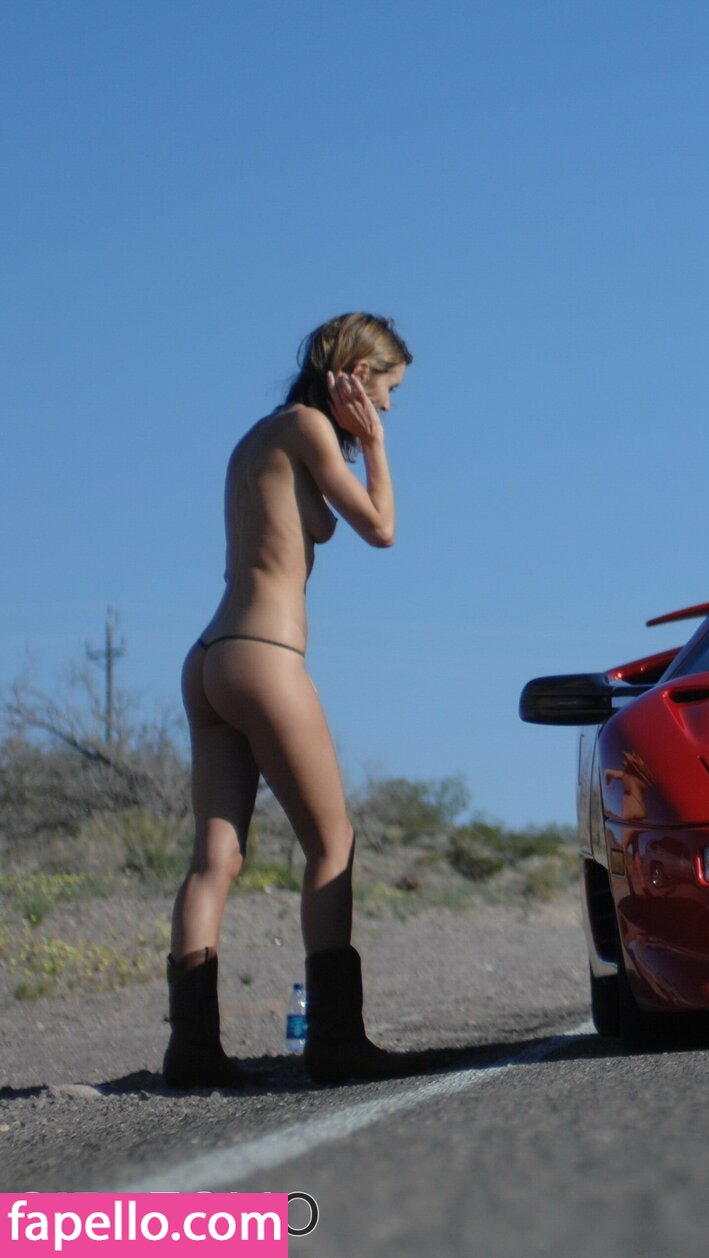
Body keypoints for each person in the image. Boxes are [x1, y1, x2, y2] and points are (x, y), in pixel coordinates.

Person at [164, 313, 415, 1088]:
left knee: (216, 859)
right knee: (332, 844)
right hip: (263, 656)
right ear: (356, 375)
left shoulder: (259, 436)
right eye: (387, 388)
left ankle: (192, 1052)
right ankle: (336, 1044)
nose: (389, 405)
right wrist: (374, 443)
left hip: (211, 657)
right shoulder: (309, 428)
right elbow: (381, 528)